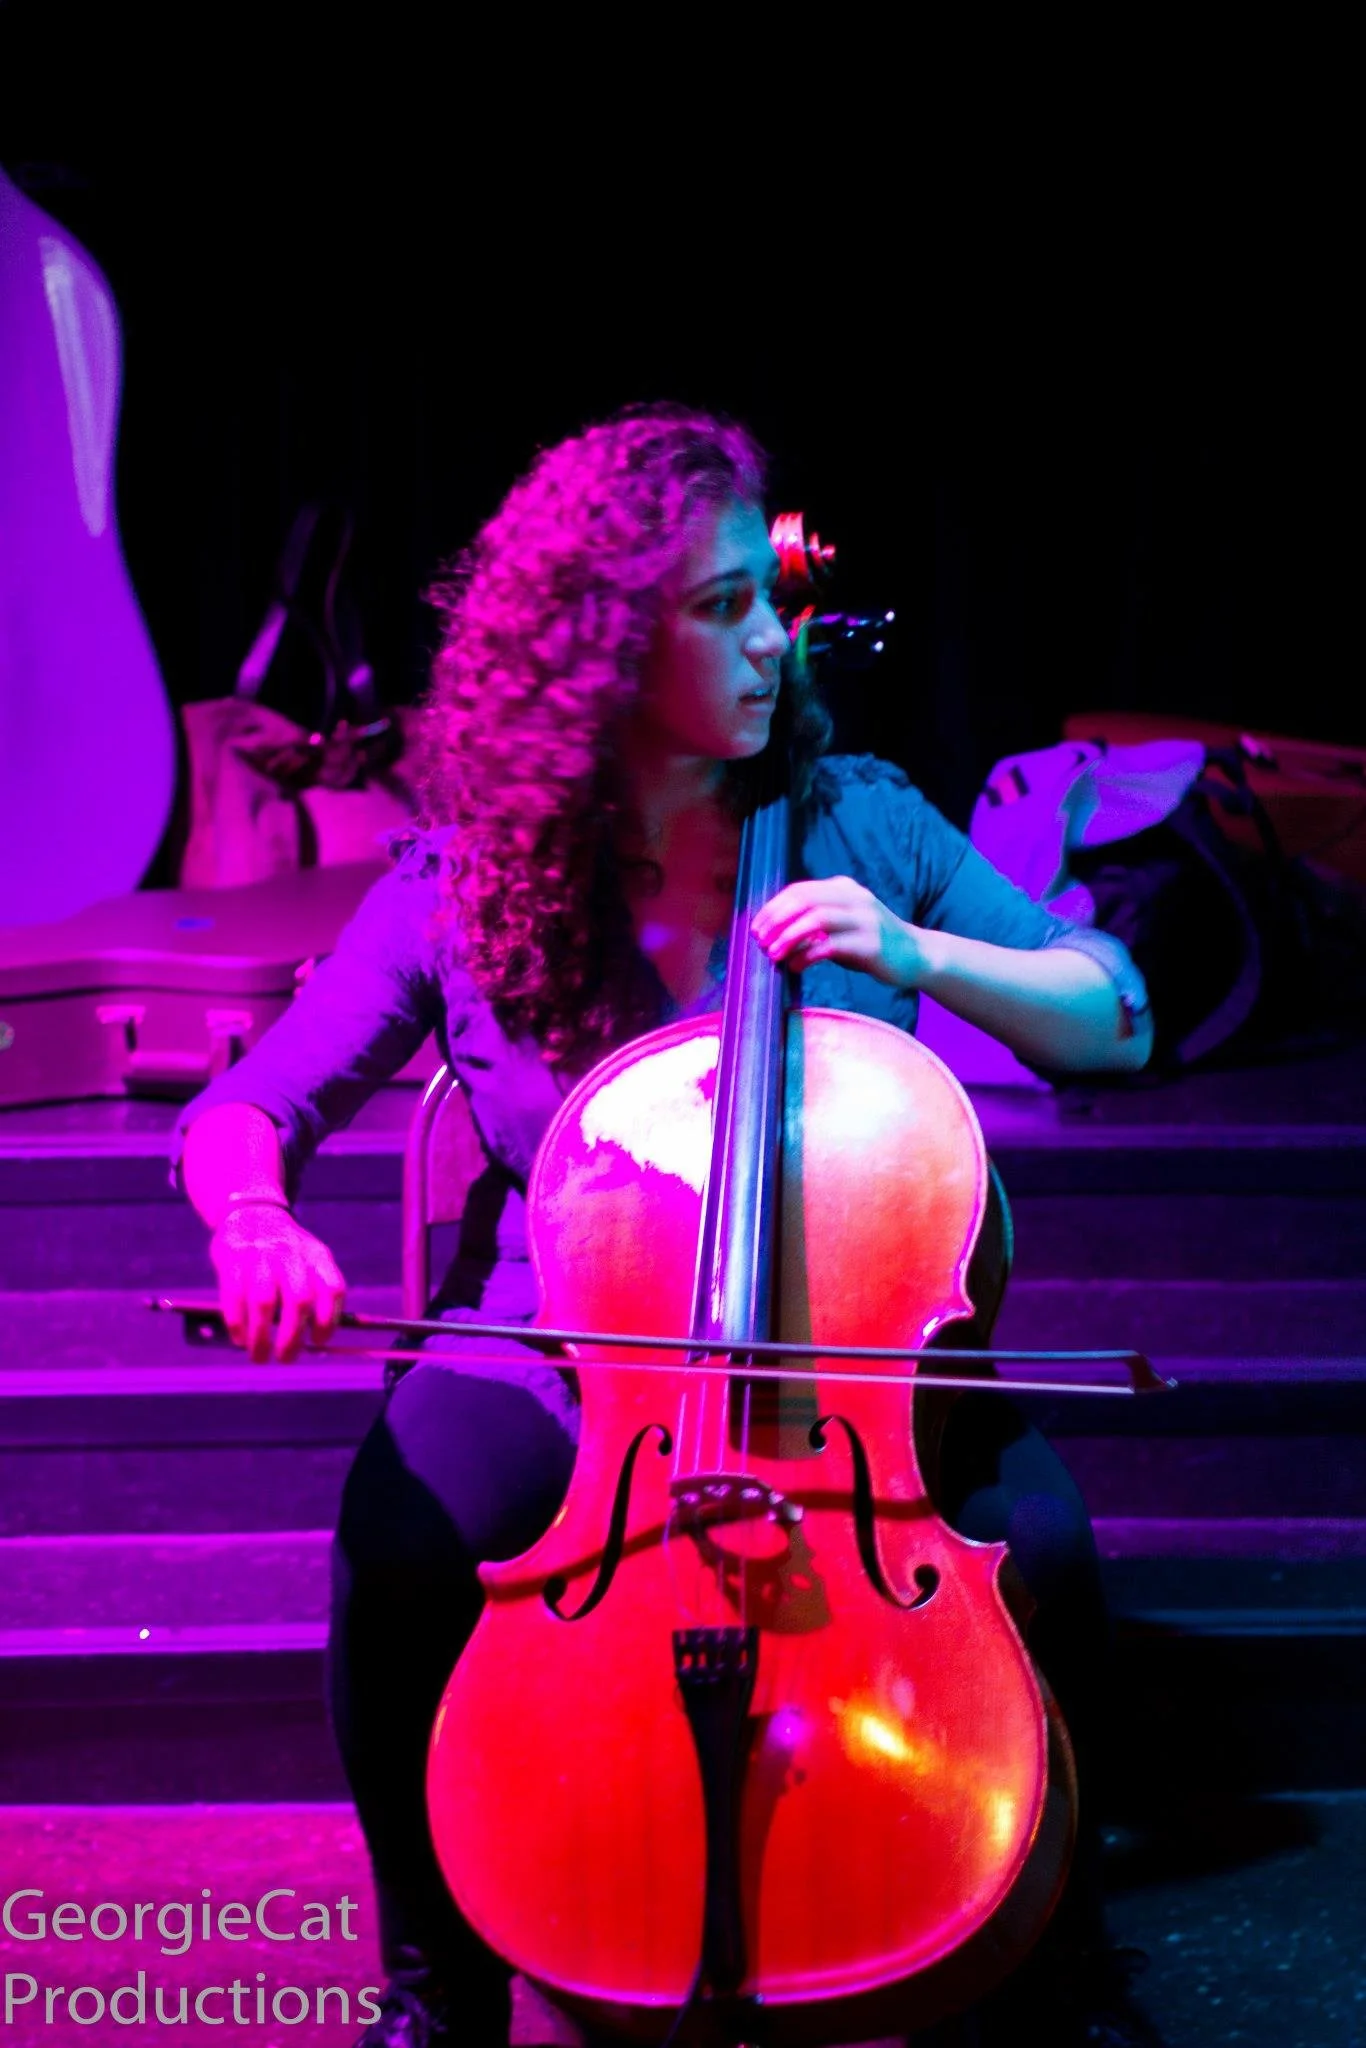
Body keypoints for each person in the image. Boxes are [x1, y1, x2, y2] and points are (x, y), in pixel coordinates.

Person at [173, 407, 1162, 2048]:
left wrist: (926, 961)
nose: (772, 638)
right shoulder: (466, 880)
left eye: (763, 598)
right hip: (568, 1348)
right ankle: (434, 1979)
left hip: (864, 1359)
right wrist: (254, 1223)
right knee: (399, 1540)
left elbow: (1108, 1010)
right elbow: (244, 1109)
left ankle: (1054, 1949)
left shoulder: (859, 821)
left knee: (1042, 1556)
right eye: (720, 608)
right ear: (597, 648)